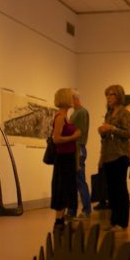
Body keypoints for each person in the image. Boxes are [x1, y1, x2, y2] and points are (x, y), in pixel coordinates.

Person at [98, 84, 130, 231]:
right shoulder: (108, 113)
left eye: (111, 94)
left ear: (119, 96)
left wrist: (112, 128)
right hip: (108, 156)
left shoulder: (124, 113)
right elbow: (105, 138)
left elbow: (127, 134)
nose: (108, 98)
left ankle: (122, 222)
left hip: (120, 155)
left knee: (120, 189)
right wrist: (103, 131)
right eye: (107, 95)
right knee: (111, 190)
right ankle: (114, 220)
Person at [50, 88, 80, 231]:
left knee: (66, 188)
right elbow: (56, 139)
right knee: (61, 188)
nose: (74, 99)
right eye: (72, 97)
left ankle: (61, 220)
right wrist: (73, 137)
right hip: (63, 158)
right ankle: (58, 221)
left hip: (68, 157)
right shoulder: (60, 117)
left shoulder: (65, 116)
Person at [67, 91, 91, 220]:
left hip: (77, 149)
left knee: (80, 180)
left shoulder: (81, 112)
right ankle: (72, 210)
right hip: (73, 149)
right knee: (74, 181)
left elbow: (79, 132)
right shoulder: (75, 113)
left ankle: (86, 210)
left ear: (75, 99)